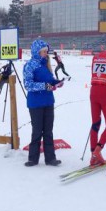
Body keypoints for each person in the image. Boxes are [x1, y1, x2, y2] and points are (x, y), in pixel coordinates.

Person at [23, 38, 64, 167]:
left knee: (48, 131)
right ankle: (33, 158)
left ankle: (50, 158)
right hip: (36, 103)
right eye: (44, 51)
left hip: (48, 102)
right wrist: (44, 86)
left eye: (47, 51)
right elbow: (28, 84)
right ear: (37, 52)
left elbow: (49, 80)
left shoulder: (46, 64)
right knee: (37, 131)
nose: (46, 53)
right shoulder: (29, 65)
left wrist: (57, 82)